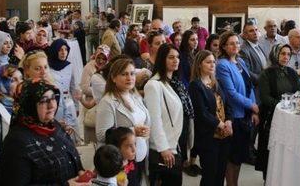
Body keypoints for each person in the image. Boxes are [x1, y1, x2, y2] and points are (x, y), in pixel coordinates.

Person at [0, 78, 87, 185]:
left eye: (53, 98)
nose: (51, 105)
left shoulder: (54, 125)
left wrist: (80, 173)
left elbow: (71, 159)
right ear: (29, 105)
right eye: (43, 100)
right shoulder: (16, 143)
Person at [96, 57, 151, 186]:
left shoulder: (135, 96)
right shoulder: (107, 102)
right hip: (120, 162)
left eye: (132, 74)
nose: (129, 77)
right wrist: (132, 131)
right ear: (114, 78)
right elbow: (101, 134)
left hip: (139, 156)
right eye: (124, 74)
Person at [215, 31, 259, 186]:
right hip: (234, 116)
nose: (235, 46)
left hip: (246, 114)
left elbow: (249, 86)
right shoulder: (222, 65)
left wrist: (253, 110)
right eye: (231, 43)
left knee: (239, 156)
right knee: (232, 157)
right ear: (224, 47)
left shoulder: (240, 62)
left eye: (237, 43)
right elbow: (231, 93)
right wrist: (251, 105)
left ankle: (235, 183)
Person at [189, 50, 232, 186]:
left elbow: (227, 104)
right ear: (199, 64)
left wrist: (229, 122)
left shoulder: (216, 82)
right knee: (209, 175)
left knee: (220, 173)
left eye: (214, 62)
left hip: (224, 136)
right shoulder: (195, 85)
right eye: (208, 62)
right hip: (208, 137)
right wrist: (220, 124)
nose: (212, 65)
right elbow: (201, 113)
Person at [256, 44, 300, 179]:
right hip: (271, 117)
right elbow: (264, 97)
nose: (285, 57)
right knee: (271, 149)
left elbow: (297, 92)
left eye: (288, 54)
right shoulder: (266, 73)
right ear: (275, 54)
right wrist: (282, 106)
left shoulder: (292, 72)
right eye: (282, 54)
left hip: (289, 117)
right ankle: (268, 179)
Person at [144, 44, 185, 185]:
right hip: (162, 150)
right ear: (162, 60)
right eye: (171, 57)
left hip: (173, 146)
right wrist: (163, 148)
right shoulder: (153, 85)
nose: (176, 60)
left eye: (178, 57)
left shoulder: (169, 83)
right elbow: (155, 120)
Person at [80, 45, 111, 143]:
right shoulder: (89, 67)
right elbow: (84, 87)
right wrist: (99, 91)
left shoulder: (110, 68)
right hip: (91, 104)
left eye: (104, 58)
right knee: (92, 137)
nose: (101, 61)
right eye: (99, 58)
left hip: (105, 104)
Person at [47, 38, 79, 129]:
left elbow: (73, 87)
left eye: (65, 49)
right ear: (55, 51)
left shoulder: (70, 66)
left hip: (68, 101)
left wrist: (76, 106)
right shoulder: (47, 67)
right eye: (60, 50)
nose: (63, 52)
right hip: (54, 103)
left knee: (70, 128)